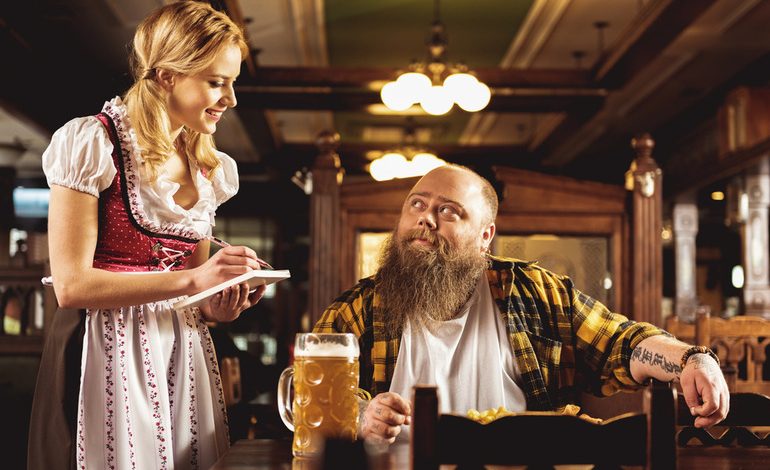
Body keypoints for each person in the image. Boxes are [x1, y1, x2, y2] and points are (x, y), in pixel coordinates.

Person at [314, 164, 729, 444]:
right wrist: (362, 414)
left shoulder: (533, 292)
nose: (426, 218)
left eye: (449, 211)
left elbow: (620, 341)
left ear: (484, 235)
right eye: (417, 205)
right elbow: (310, 397)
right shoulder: (359, 308)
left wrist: (693, 359)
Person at [27, 2, 265, 469]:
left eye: (232, 82)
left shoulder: (208, 167)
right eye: (216, 82)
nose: (231, 98)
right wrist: (197, 282)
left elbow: (194, 284)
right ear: (167, 75)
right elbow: (73, 286)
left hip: (180, 350)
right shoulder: (92, 143)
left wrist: (220, 298)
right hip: (99, 347)